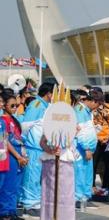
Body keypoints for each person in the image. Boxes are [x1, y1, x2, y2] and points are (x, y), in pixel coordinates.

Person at [20, 82, 54, 218]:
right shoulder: (36, 105)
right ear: (49, 94)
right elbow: (25, 127)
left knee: (39, 178)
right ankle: (29, 206)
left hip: (43, 148)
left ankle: (36, 202)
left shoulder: (47, 107)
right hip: (33, 148)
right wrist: (23, 146)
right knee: (31, 178)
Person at [0, 93, 28, 220]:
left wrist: (23, 155)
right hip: (11, 155)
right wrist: (18, 156)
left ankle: (12, 211)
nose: (15, 108)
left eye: (16, 105)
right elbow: (6, 141)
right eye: (12, 105)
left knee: (16, 185)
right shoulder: (2, 121)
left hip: (19, 153)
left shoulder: (14, 119)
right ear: (4, 105)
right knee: (8, 185)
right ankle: (5, 212)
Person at [39, 131, 76, 220]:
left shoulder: (70, 122)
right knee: (49, 194)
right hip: (51, 161)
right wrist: (50, 150)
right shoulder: (51, 122)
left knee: (66, 195)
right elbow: (42, 142)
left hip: (66, 162)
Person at [74, 90, 100, 208]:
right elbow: (81, 132)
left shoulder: (87, 111)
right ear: (93, 101)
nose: (97, 108)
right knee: (80, 174)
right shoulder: (80, 110)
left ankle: (85, 197)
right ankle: (78, 198)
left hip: (88, 149)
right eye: (97, 104)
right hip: (81, 149)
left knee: (87, 174)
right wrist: (86, 148)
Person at [92, 90, 109, 196]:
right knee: (92, 164)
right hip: (94, 140)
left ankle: (106, 187)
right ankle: (91, 187)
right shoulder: (90, 108)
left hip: (107, 140)